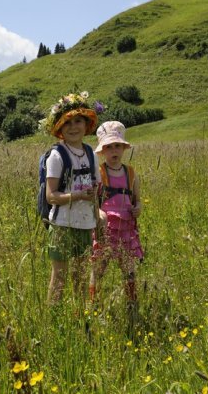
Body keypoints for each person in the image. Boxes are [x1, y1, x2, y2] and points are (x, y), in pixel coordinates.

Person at [43, 91, 104, 304]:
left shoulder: (91, 154)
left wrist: (97, 214)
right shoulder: (57, 155)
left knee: (79, 275)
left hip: (85, 224)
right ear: (60, 128)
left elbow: (97, 187)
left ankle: (80, 318)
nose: (73, 127)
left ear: (86, 124)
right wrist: (78, 195)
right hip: (61, 224)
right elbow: (51, 196)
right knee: (59, 277)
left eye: (78, 121)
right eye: (67, 123)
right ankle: (54, 320)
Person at [89, 121, 143, 308]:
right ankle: (93, 304)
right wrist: (99, 213)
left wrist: (138, 208)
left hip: (127, 228)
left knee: (128, 268)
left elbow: (138, 199)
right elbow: (92, 203)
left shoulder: (130, 173)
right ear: (102, 151)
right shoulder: (99, 173)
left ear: (124, 148)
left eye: (117, 146)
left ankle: (132, 302)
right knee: (99, 268)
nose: (114, 151)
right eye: (109, 147)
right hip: (105, 229)